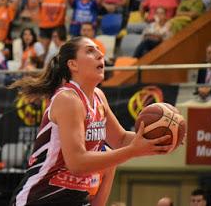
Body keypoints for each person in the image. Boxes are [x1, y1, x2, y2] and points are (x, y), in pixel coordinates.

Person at [9, 36, 172, 206]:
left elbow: (121, 139)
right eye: (89, 51)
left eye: (99, 50)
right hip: (41, 197)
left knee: (108, 155)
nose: (100, 54)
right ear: (73, 64)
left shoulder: (99, 97)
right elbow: (77, 162)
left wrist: (160, 140)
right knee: (107, 154)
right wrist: (132, 151)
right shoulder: (68, 99)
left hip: (76, 199)